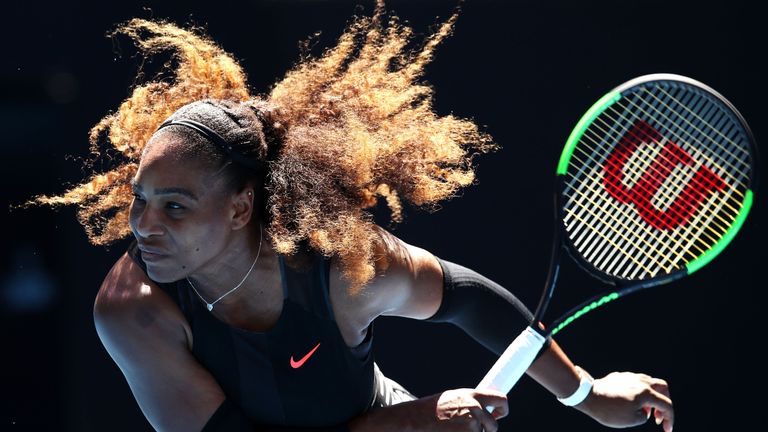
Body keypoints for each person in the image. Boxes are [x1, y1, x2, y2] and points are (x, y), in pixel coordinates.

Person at [31, 2, 673, 431]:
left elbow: (469, 299)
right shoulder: (132, 308)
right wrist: (413, 422)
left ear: (241, 207)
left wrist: (586, 393)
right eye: (141, 199)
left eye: (176, 206)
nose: (144, 225)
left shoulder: (339, 264)